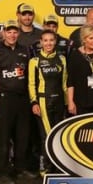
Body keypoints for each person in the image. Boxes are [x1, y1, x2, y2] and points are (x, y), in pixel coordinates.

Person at [0, 19, 34, 184]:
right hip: (2, 99)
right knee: (2, 139)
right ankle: (3, 172)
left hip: (23, 99)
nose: (12, 35)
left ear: (18, 33)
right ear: (3, 33)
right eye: (9, 32)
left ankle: (20, 168)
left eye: (14, 32)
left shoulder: (25, 51)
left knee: (23, 136)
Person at [28, 29, 67, 175]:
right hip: (43, 101)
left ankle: (58, 165)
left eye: (51, 40)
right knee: (47, 135)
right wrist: (34, 102)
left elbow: (64, 82)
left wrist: (68, 102)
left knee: (59, 134)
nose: (48, 43)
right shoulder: (35, 61)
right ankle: (46, 166)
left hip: (59, 101)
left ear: (55, 41)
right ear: (41, 42)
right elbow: (31, 84)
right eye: (45, 40)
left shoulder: (62, 59)